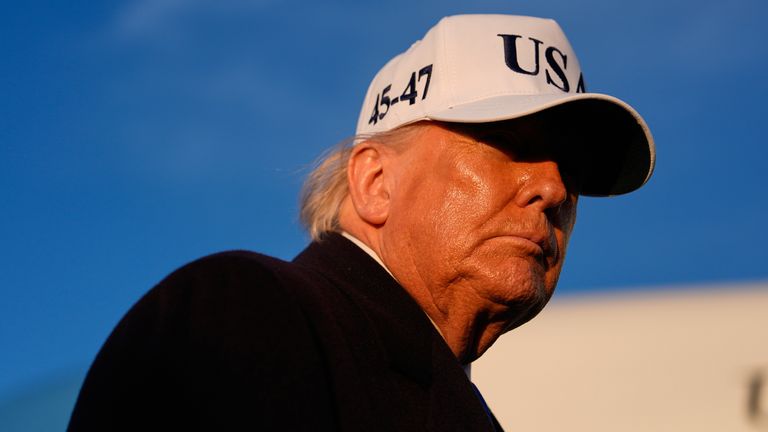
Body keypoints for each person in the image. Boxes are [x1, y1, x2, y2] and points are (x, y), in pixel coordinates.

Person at [67, 14, 655, 432]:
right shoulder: (242, 315)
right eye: (506, 143)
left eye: (570, 169)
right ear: (376, 183)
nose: (554, 189)